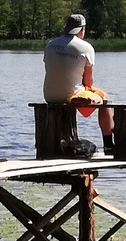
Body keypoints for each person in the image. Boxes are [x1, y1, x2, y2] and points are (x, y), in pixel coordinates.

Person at [44, 12, 114, 158]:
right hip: (71, 95)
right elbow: (88, 83)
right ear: (82, 30)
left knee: (80, 90)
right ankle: (108, 145)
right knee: (106, 100)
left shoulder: (51, 44)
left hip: (49, 95)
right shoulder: (86, 48)